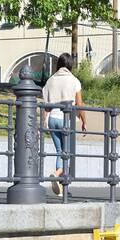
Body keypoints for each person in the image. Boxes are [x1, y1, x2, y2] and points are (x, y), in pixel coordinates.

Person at [41, 53, 87, 197]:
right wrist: (84, 120)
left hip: (52, 118)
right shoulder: (74, 81)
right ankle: (57, 174)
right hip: (67, 119)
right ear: (70, 65)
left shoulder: (50, 80)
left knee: (60, 151)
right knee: (67, 152)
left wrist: (43, 122)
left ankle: (61, 188)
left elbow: (46, 105)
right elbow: (79, 103)